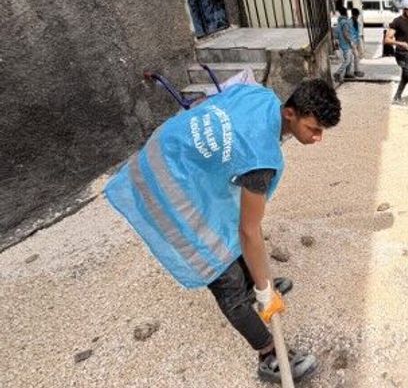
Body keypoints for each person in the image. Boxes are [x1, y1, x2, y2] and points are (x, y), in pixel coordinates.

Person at [104, 79, 342, 385]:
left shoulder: (259, 94)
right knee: (220, 267)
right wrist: (266, 293)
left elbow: (213, 104)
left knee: (230, 224)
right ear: (291, 114)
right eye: (314, 129)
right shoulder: (261, 159)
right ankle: (268, 355)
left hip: (174, 148)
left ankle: (253, 283)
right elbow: (249, 231)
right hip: (166, 183)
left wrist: (262, 281)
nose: (318, 137)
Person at [333, 7, 355, 83]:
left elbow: (336, 34)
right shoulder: (345, 22)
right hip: (346, 44)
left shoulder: (339, 22)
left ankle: (347, 73)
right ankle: (337, 73)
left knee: (350, 58)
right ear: (346, 13)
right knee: (348, 60)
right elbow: (346, 34)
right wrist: (350, 42)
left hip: (342, 44)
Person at [349, 8, 365, 78]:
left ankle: (355, 71)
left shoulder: (356, 22)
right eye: (356, 15)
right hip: (351, 42)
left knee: (356, 57)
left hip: (355, 41)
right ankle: (354, 72)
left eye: (357, 15)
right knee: (354, 56)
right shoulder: (349, 22)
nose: (357, 17)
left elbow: (357, 32)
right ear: (353, 15)